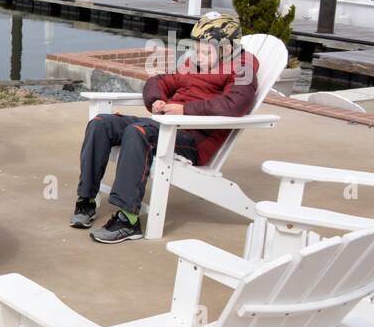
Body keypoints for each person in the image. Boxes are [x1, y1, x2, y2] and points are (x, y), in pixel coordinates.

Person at [72, 13, 260, 243]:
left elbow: (234, 105)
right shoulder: (194, 65)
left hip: (193, 138)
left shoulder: (243, 68)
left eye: (206, 51)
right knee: (101, 123)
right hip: (165, 124)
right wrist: (156, 100)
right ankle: (86, 200)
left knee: (137, 133)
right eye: (197, 49)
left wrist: (184, 110)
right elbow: (159, 81)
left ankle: (129, 220)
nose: (199, 56)